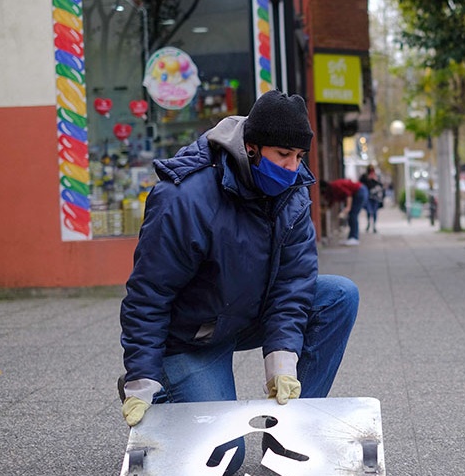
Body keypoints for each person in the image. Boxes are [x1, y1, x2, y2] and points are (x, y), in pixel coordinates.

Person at [119, 90, 359, 433]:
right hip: (192, 335)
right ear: (251, 147)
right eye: (283, 155)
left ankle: (292, 426)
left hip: (243, 312)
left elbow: (293, 286)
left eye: (299, 156)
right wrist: (141, 378)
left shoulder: (293, 194)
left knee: (339, 295)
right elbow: (149, 295)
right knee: (225, 457)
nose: (293, 168)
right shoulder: (184, 199)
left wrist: (282, 365)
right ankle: (161, 391)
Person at [327, 178, 367, 245]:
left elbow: (348, 194)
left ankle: (354, 238)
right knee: (352, 215)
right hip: (359, 191)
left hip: (360, 191)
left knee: (353, 215)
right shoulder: (332, 190)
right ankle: (351, 237)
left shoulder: (335, 186)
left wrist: (348, 207)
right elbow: (332, 201)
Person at [360, 165, 385, 233]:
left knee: (374, 212)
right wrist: (368, 179)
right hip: (368, 197)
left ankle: (374, 226)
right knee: (368, 211)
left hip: (376, 197)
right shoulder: (364, 177)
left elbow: (381, 186)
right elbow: (361, 184)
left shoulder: (377, 176)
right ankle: (368, 224)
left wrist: (375, 179)